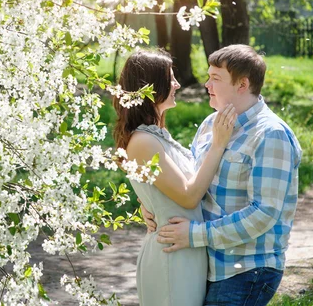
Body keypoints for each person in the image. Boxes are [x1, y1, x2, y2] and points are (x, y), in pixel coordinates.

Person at [143, 44, 302, 306]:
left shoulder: (271, 134)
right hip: (207, 265)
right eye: (208, 77)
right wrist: (153, 205)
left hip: (247, 269)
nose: (206, 84)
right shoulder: (210, 124)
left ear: (242, 84)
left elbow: (264, 214)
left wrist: (195, 235)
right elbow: (191, 182)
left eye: (215, 78)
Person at [113, 49, 237, 306]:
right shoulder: (143, 141)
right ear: (150, 86)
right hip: (170, 256)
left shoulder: (156, 134)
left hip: (185, 251)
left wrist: (149, 205)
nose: (177, 84)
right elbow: (189, 196)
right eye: (170, 78)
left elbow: (165, 188)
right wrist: (218, 145)